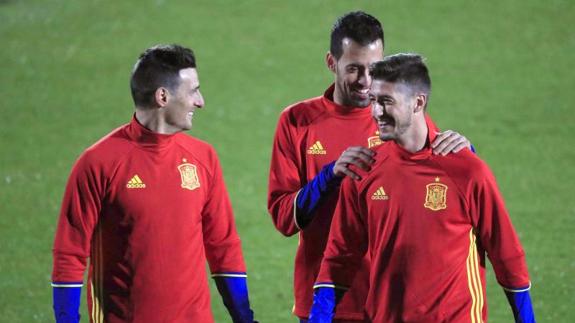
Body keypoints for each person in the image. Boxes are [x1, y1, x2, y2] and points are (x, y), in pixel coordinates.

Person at [267, 11, 471, 322]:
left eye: (372, 69)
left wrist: (464, 148)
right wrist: (328, 177)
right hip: (325, 302)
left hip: (390, 301)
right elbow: (283, 218)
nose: (365, 81)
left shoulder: (397, 117)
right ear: (331, 63)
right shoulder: (297, 122)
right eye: (353, 69)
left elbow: (441, 179)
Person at [309, 54, 535, 322]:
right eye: (373, 100)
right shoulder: (365, 171)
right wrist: (318, 317)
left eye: (386, 102)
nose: (376, 112)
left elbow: (506, 253)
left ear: (418, 102)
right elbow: (339, 258)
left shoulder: (467, 172)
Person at [51, 44, 256, 323]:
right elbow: (70, 254)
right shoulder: (99, 163)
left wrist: (243, 318)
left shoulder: (203, 158)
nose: (201, 101)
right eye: (193, 91)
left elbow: (223, 245)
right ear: (163, 96)